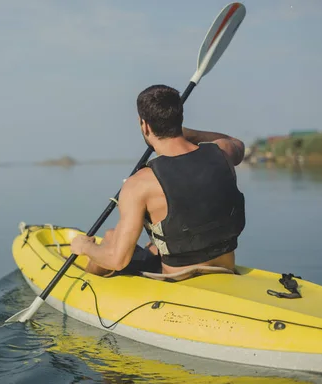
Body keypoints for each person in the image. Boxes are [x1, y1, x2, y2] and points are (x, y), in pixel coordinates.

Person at [70, 84, 246, 278]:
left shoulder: (140, 184)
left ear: (144, 125)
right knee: (116, 235)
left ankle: (84, 282)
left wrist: (84, 247)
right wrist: (185, 133)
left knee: (110, 242)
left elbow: (117, 260)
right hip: (225, 267)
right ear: (180, 119)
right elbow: (236, 142)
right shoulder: (222, 152)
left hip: (178, 278)